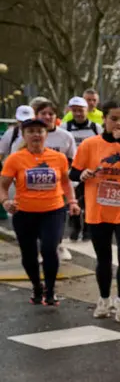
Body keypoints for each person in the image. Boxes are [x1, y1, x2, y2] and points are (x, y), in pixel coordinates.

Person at [71, 101, 120, 323]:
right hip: (98, 210)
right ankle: (104, 299)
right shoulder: (90, 144)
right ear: (104, 120)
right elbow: (73, 173)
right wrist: (83, 174)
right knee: (103, 258)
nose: (118, 123)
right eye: (114, 118)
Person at [0, 117, 78, 304]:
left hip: (53, 211)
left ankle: (50, 291)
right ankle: (36, 286)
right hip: (24, 213)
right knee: (28, 254)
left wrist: (73, 201)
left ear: (45, 135)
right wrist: (5, 201)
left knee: (49, 248)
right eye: (31, 131)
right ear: (24, 136)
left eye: (40, 131)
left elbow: (66, 183)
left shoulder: (58, 158)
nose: (36, 134)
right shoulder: (15, 159)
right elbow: (2, 185)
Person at [62, 96, 102, 243]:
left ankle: (87, 229)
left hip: (91, 171)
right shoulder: (65, 128)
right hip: (73, 170)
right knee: (74, 200)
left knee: (90, 202)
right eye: (75, 110)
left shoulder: (96, 128)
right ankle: (75, 227)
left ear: (87, 110)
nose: (78, 113)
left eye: (81, 110)